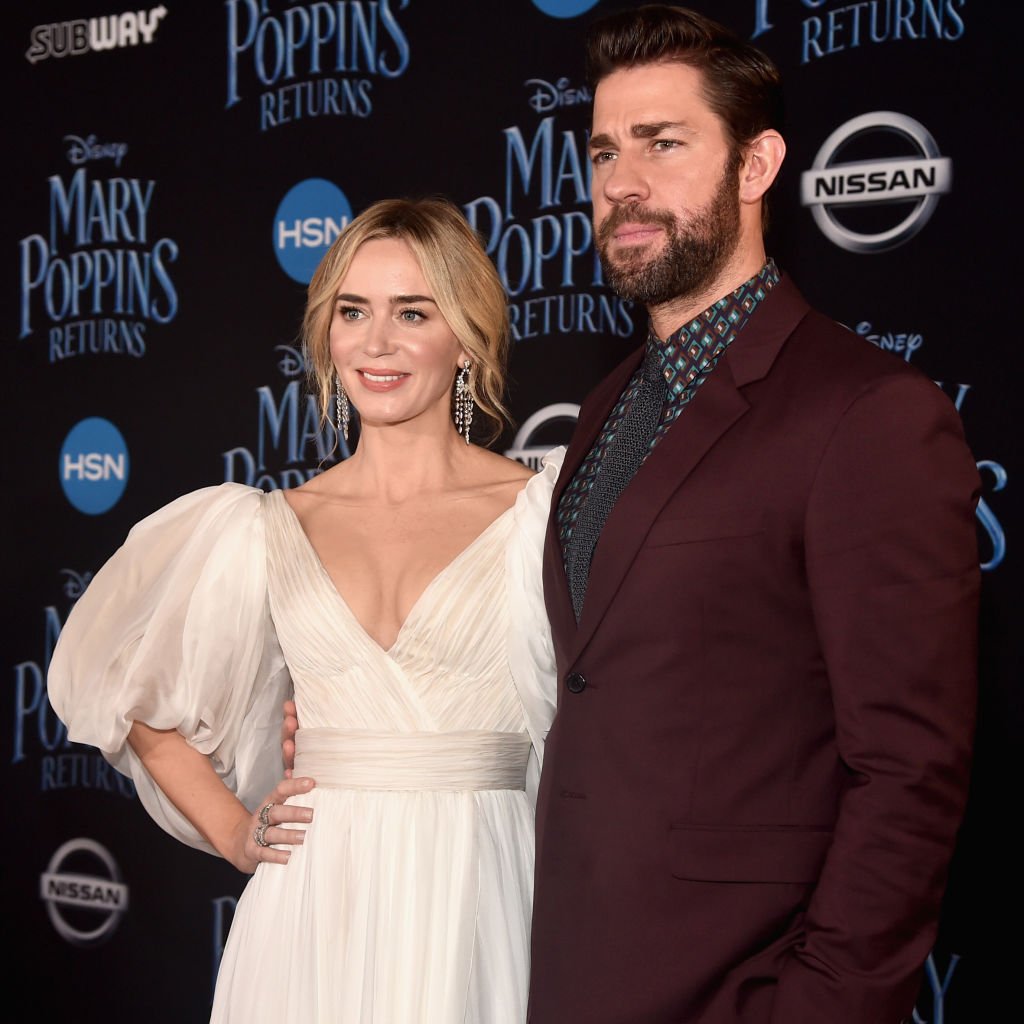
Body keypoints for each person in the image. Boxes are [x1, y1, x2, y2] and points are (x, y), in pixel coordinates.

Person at [521, 6, 981, 1023]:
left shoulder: (867, 415)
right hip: (568, 970)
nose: (620, 184)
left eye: (663, 143)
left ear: (757, 163)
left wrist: (817, 1006)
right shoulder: (605, 408)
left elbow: (907, 770)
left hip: (741, 989)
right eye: (602, 151)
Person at [47, 197, 563, 1023]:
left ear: (466, 337)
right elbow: (127, 688)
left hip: (484, 885)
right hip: (312, 907)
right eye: (352, 311)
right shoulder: (267, 524)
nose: (377, 342)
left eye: (412, 312)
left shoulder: (545, 511)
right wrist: (234, 831)